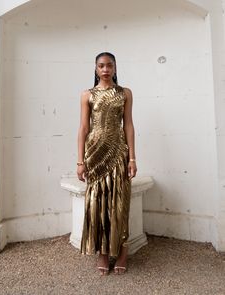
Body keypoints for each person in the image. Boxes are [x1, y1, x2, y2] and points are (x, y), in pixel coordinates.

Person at [77, 52, 137, 275]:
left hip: (118, 153)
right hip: (94, 155)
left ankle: (122, 252)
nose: (105, 69)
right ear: (95, 69)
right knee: (97, 205)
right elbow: (83, 128)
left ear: (114, 68)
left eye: (109, 65)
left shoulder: (125, 93)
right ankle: (103, 253)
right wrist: (80, 161)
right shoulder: (87, 95)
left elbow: (128, 126)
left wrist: (132, 158)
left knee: (119, 203)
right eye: (101, 66)